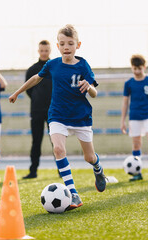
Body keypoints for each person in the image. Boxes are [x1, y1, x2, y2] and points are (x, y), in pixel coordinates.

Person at [9, 24, 107, 210]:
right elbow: (36, 78)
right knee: (59, 150)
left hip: (81, 117)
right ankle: (72, 193)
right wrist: (17, 92)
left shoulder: (83, 65)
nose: (66, 47)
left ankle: (98, 169)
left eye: (70, 43)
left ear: (78, 45)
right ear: (58, 46)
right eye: (62, 44)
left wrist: (90, 87)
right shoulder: (52, 64)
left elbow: (93, 94)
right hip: (57, 116)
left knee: (89, 157)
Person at [23, 40, 56, 179]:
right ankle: (33, 171)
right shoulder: (32, 69)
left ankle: (62, 170)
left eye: (46, 50)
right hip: (36, 111)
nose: (44, 53)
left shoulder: (55, 67)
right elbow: (28, 89)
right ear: (38, 51)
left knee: (56, 141)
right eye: (42, 50)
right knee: (36, 142)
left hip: (53, 111)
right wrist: (38, 99)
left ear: (50, 51)